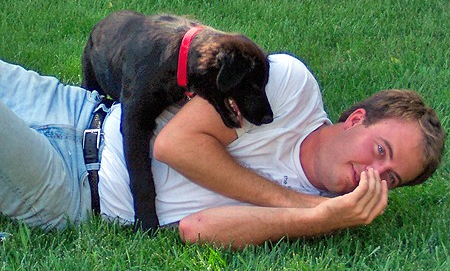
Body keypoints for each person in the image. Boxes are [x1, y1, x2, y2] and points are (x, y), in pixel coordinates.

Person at [0, 54, 445, 250]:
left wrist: (315, 218)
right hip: (78, 109)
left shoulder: (325, 214)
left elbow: (197, 230)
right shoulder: (289, 88)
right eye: (380, 150)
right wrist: (301, 204)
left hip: (71, 189)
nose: (373, 172)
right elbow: (176, 144)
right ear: (355, 120)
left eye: (390, 177)